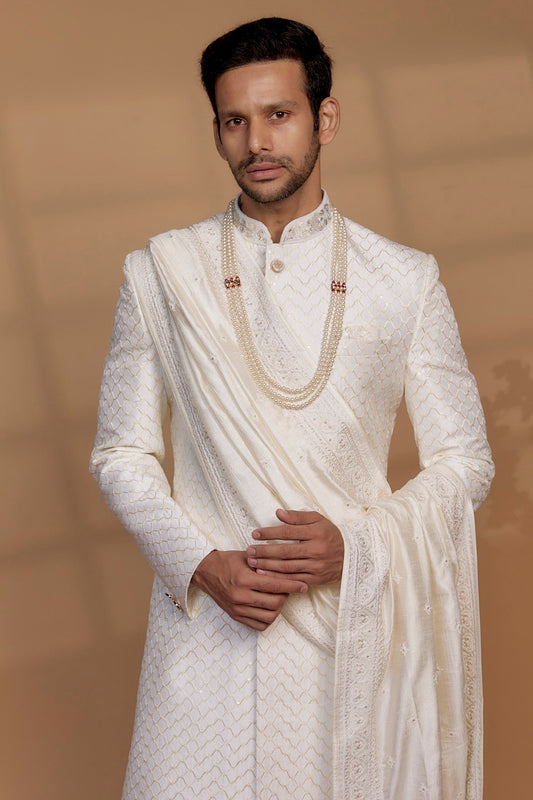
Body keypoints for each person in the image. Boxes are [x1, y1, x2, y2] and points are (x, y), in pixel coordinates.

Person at [90, 17, 493, 800]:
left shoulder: (403, 279)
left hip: (351, 632)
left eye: (279, 114)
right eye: (234, 122)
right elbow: (120, 454)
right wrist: (201, 564)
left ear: (324, 119)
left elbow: (464, 461)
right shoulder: (162, 272)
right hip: (206, 636)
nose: (256, 142)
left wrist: (359, 546)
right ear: (216, 133)